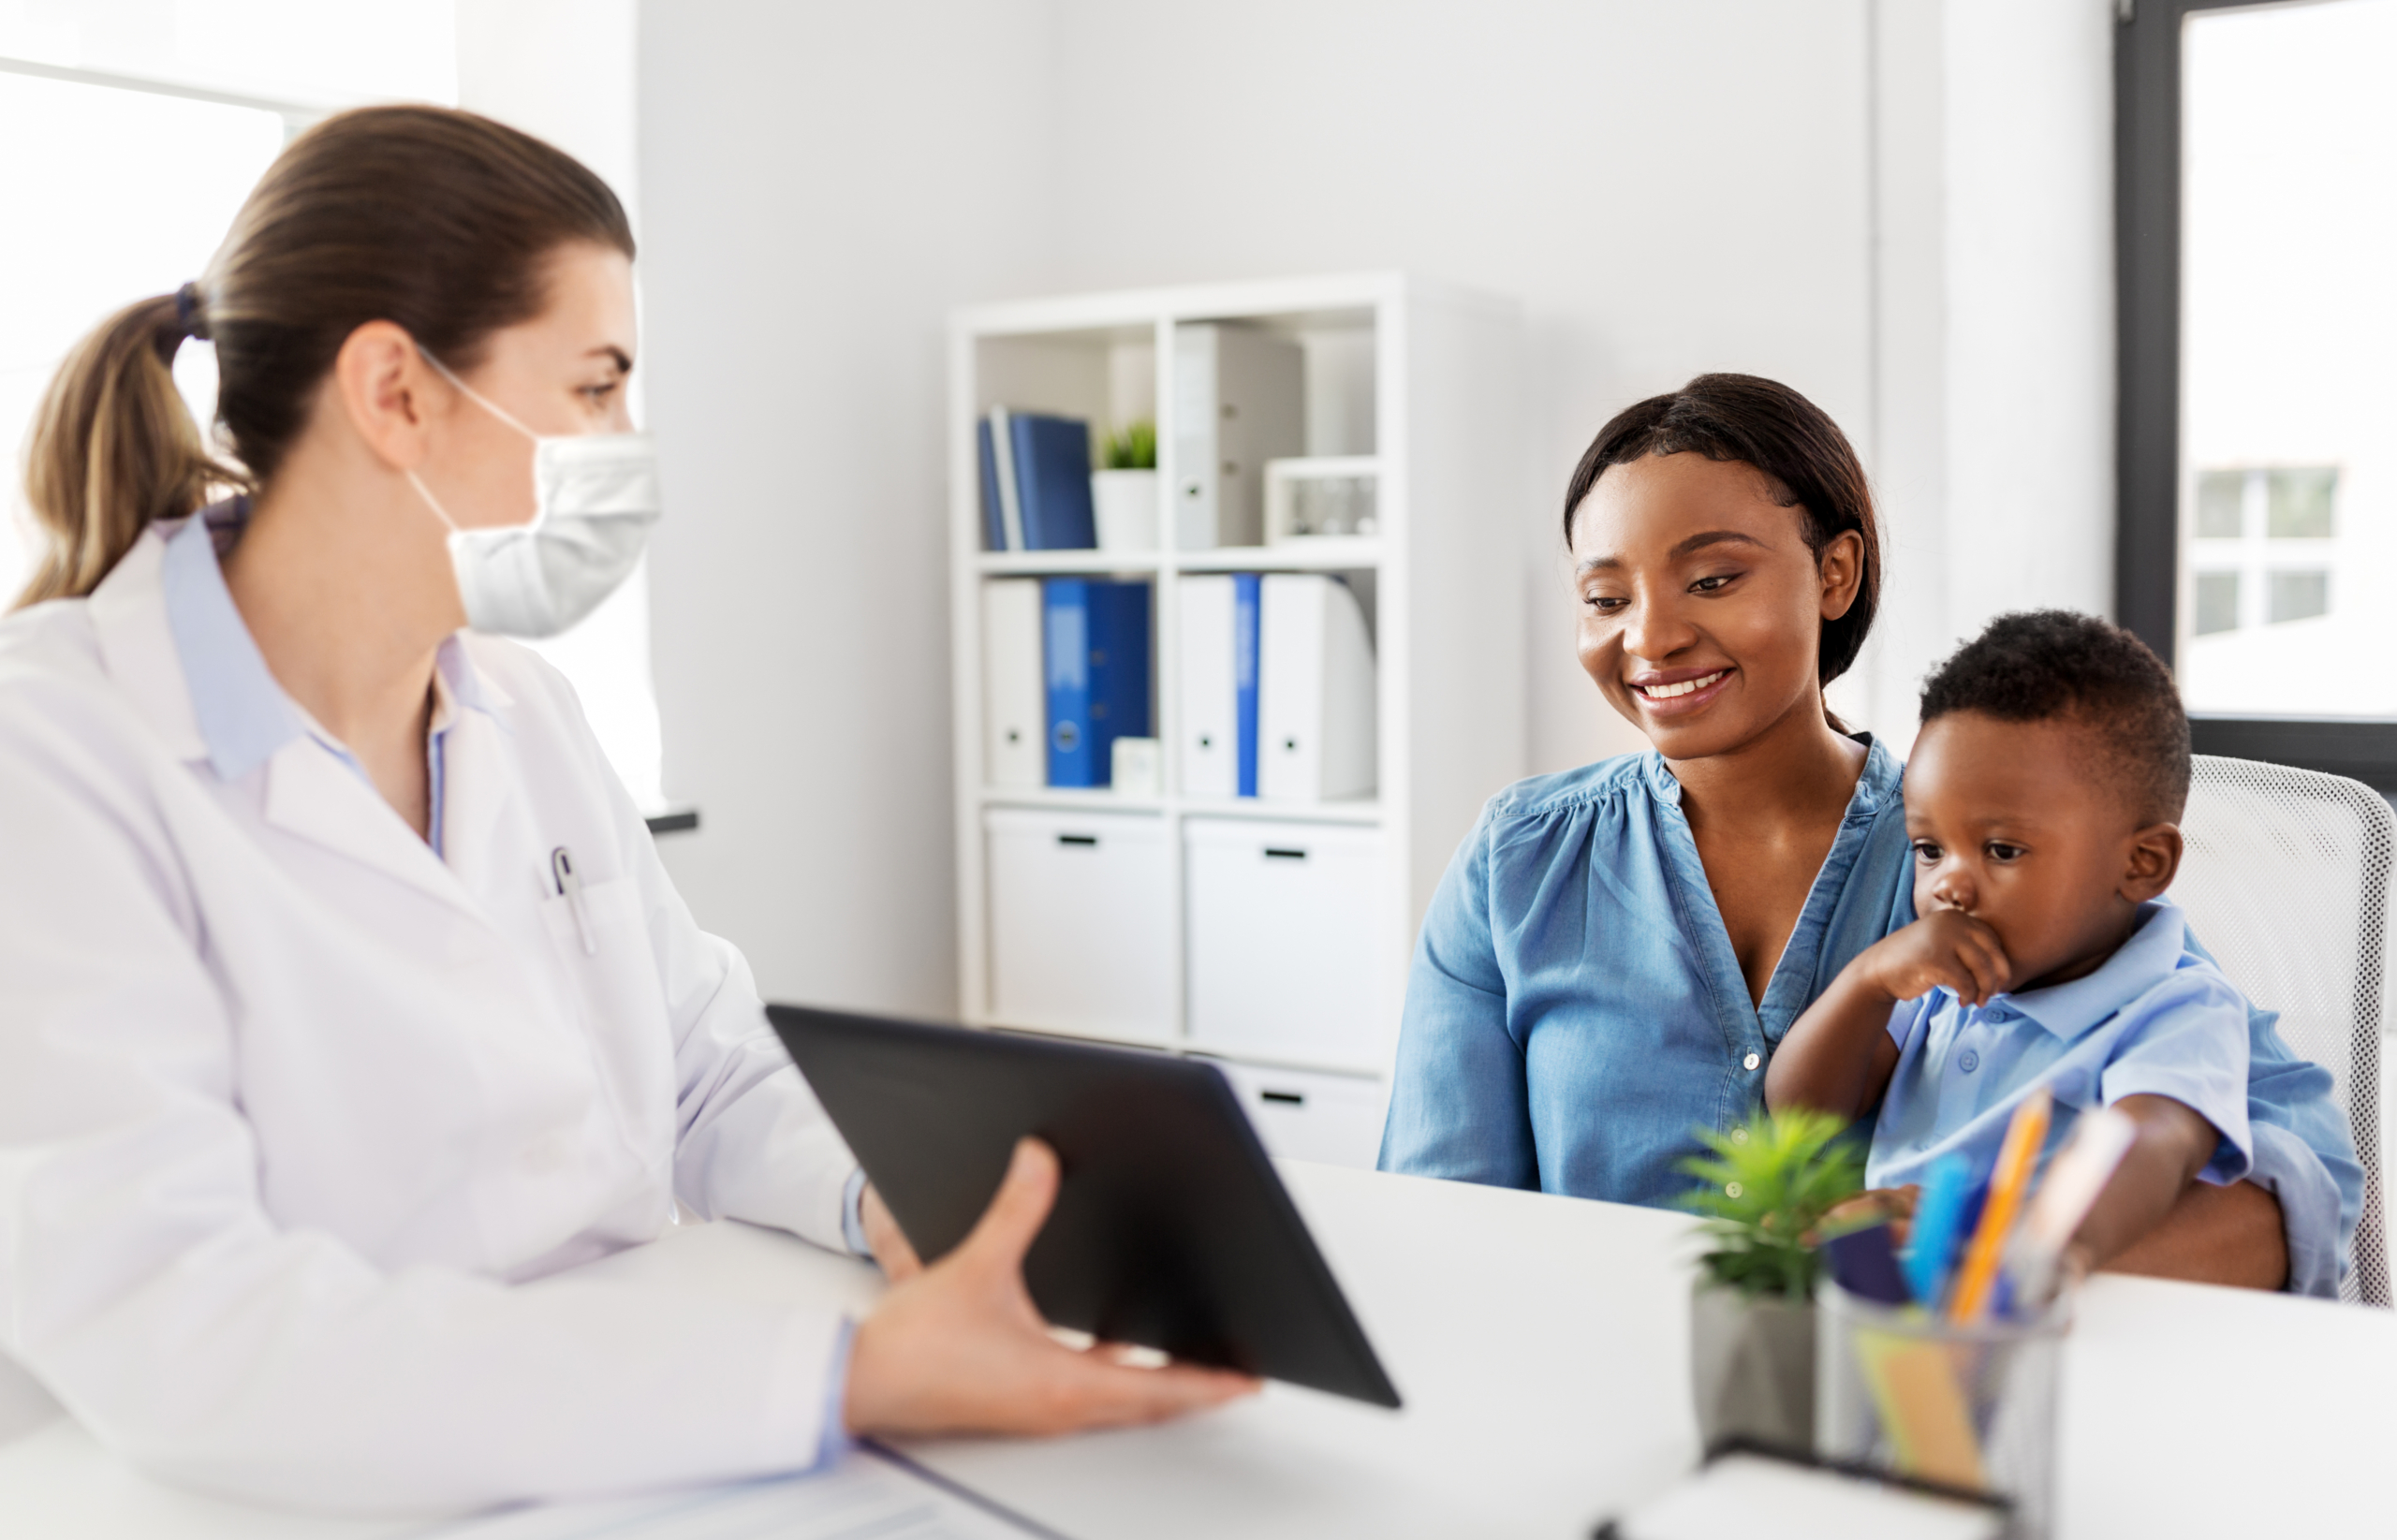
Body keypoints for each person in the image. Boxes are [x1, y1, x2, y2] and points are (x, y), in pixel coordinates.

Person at [0, 106, 1249, 1516]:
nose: (626, 442)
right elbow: (191, 1330)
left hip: (625, 1411)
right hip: (273, 1488)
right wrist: (845, 1375)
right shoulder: (58, 750)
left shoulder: (518, 708)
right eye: (596, 387)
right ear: (395, 393)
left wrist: (897, 1192)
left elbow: (706, 1069)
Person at [1377, 373, 2361, 1296]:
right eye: (1605, 598)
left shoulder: (1987, 864)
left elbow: (2296, 1180)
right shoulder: (1520, 860)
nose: (1651, 636)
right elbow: (1431, 1214)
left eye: (1712, 579)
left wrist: (1988, 1251)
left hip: (1890, 1404)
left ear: (1834, 572)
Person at [1767, 612, 2252, 1269]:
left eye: (2001, 849)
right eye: (1929, 849)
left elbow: (2149, 1144)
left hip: (2030, 1310)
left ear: (2142, 863)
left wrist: (2011, 1234)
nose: (1951, 887)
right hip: (1891, 1301)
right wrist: (1869, 981)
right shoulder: (1940, 986)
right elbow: (1804, 1110)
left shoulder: (2177, 1009)